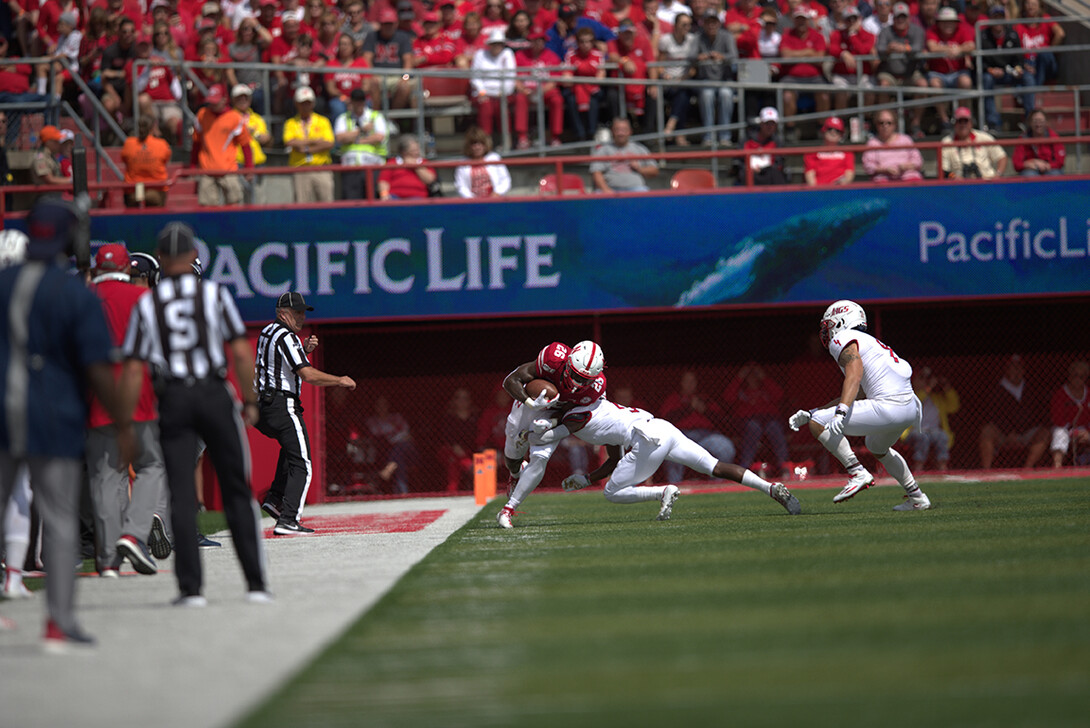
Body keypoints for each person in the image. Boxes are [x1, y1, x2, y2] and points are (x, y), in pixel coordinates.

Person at [0, 199, 135, 649]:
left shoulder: (3, 283)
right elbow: (99, 367)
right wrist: (122, 423)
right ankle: (58, 621)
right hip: (53, 417)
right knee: (58, 519)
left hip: (3, 413)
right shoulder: (75, 292)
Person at [119, 221, 269, 607]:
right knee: (238, 490)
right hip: (214, 392)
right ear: (192, 257)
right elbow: (239, 351)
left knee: (182, 495)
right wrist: (250, 400)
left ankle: (191, 590)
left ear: (161, 259)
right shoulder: (214, 295)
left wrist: (126, 421)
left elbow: (134, 368)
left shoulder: (147, 304)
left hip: (175, 399)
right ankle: (255, 584)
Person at [533, 396, 801, 520]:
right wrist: (587, 478)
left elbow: (548, 436)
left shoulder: (575, 416)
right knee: (715, 467)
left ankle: (663, 493)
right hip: (662, 427)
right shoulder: (600, 406)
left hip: (646, 439)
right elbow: (614, 459)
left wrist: (526, 434)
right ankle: (771, 488)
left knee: (611, 493)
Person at [788, 300, 932, 510]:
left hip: (889, 407)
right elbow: (858, 393)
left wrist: (838, 413)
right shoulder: (871, 343)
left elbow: (853, 376)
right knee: (876, 446)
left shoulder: (843, 338)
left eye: (828, 325)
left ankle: (857, 472)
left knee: (818, 425)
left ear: (841, 322)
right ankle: (918, 498)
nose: (826, 332)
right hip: (909, 408)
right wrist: (814, 412)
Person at [86, 243, 173, 577]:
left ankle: (108, 560)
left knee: (106, 477)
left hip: (96, 395)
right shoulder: (143, 300)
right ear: (126, 269)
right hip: (138, 394)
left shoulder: (84, 297)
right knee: (152, 465)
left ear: (97, 267)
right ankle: (134, 532)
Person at [255, 292, 357, 535]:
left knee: (291, 452)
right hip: (282, 405)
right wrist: (339, 380)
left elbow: (278, 364)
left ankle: (275, 499)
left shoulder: (267, 332)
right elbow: (307, 375)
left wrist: (303, 350)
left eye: (302, 312)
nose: (301, 316)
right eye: (296, 312)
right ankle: (289, 519)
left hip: (262, 407)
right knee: (303, 463)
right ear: (283, 313)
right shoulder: (286, 336)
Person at [497, 340, 607, 528]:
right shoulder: (553, 357)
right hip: (530, 405)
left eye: (585, 379)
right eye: (576, 375)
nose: (579, 383)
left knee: (541, 457)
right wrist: (530, 402)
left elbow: (574, 416)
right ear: (569, 362)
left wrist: (552, 422)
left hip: (553, 415)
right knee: (513, 456)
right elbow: (511, 380)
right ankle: (515, 475)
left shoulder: (597, 387)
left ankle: (508, 510)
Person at [660, 370, 736, 483]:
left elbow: (721, 421)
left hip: (707, 436)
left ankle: (716, 487)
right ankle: (674, 488)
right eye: (687, 381)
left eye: (693, 381)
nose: (690, 384)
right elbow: (666, 420)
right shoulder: (674, 399)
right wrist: (689, 408)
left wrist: (704, 410)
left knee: (726, 447)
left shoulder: (705, 399)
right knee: (670, 451)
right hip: (681, 436)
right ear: (681, 383)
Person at [977, 354, 1049, 469]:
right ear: (1006, 369)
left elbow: (1039, 414)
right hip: (1004, 433)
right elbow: (991, 415)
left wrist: (1022, 431)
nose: (1016, 371)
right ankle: (987, 470)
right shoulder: (995, 389)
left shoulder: (1032, 388)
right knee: (987, 431)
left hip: (1026, 432)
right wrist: (1009, 432)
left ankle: (1027, 469)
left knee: (1044, 433)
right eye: (1013, 367)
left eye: (1019, 367)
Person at [193, 84, 254, 206]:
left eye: (216, 101)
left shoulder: (234, 117)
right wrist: (193, 165)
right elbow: (196, 143)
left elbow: (245, 144)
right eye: (211, 101)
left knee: (233, 205)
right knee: (207, 208)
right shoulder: (202, 114)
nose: (212, 105)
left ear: (224, 100)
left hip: (229, 169)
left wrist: (249, 167)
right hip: (207, 170)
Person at [724, 362, 788, 478]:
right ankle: (745, 467)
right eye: (750, 374)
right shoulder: (741, 390)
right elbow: (727, 397)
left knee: (774, 426)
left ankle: (783, 466)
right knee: (753, 427)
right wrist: (740, 377)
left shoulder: (765, 388)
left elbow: (779, 395)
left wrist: (764, 378)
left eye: (755, 374)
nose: (752, 377)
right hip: (747, 421)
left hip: (769, 419)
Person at [471, 27, 530, 147]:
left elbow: (510, 76)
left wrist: (503, 93)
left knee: (510, 103)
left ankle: (512, 138)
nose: (497, 46)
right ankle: (486, 141)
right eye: (494, 44)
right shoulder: (480, 54)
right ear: (489, 44)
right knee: (485, 105)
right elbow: (475, 77)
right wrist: (482, 92)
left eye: (499, 44)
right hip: (485, 92)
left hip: (503, 93)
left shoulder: (507, 54)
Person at [875, 3, 927, 139]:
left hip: (910, 72)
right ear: (893, 18)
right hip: (890, 72)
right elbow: (879, 49)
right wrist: (888, 50)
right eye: (898, 17)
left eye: (903, 17)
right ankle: (887, 123)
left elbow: (918, 47)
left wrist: (904, 48)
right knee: (883, 85)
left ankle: (915, 124)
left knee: (923, 85)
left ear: (909, 18)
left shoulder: (917, 30)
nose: (900, 20)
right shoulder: (886, 31)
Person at [779, 6, 830, 141]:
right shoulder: (787, 35)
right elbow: (785, 56)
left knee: (824, 95)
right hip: (791, 77)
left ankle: (822, 128)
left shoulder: (817, 36)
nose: (801, 22)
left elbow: (819, 58)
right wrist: (808, 52)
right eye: (798, 19)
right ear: (794, 21)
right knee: (787, 96)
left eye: (804, 19)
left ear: (809, 21)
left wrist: (795, 55)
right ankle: (790, 129)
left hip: (814, 77)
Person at [980, 4, 1033, 133]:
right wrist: (990, 69)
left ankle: (1030, 121)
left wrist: (1018, 68)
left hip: (1009, 72)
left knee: (1028, 78)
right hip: (991, 73)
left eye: (1001, 17)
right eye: (995, 17)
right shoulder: (983, 36)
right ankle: (993, 123)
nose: (998, 21)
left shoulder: (1012, 34)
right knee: (985, 80)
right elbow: (979, 61)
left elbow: (1019, 57)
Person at [690, 9, 737, 146]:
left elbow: (734, 56)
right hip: (706, 81)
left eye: (714, 22)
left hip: (724, 80)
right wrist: (700, 57)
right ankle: (708, 136)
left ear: (719, 23)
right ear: (703, 24)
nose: (711, 25)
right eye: (708, 22)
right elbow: (691, 56)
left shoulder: (727, 36)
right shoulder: (698, 37)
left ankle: (724, 136)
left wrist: (722, 57)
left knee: (726, 94)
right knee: (706, 95)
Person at [924, 6, 975, 133]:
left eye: (951, 21)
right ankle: (945, 121)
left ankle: (962, 116)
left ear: (955, 22)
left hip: (958, 71)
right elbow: (932, 47)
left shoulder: (962, 29)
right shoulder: (932, 30)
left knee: (966, 82)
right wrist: (951, 49)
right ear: (939, 23)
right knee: (934, 84)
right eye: (944, 21)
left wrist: (960, 49)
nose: (948, 24)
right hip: (938, 72)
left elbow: (971, 45)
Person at [334, 87, 390, 200]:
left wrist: (355, 139)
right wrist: (362, 131)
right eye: (356, 100)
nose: (359, 103)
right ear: (351, 101)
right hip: (351, 167)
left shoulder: (376, 116)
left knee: (373, 202)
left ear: (365, 101)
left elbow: (379, 137)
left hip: (373, 166)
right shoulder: (343, 118)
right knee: (352, 204)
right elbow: (340, 138)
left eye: (361, 100)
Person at [283, 85, 336, 202]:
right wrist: (315, 141)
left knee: (327, 204)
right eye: (302, 103)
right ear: (296, 104)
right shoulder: (290, 123)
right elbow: (289, 142)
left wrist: (306, 148)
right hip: (300, 168)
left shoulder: (323, 121)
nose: (306, 106)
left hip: (321, 168)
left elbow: (329, 143)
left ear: (313, 103)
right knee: (302, 206)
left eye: (308, 103)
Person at [902, 366, 959, 472]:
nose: (925, 381)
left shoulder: (937, 398)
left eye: (926, 379)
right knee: (923, 437)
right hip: (913, 432)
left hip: (934, 431)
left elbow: (953, 407)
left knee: (942, 436)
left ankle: (942, 468)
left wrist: (947, 387)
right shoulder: (909, 395)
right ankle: (918, 468)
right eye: (921, 378)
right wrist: (928, 387)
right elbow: (916, 402)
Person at [515, 29, 566, 147]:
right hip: (526, 90)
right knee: (519, 99)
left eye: (540, 40)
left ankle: (555, 136)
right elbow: (514, 77)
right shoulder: (520, 55)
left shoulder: (552, 56)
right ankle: (522, 137)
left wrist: (539, 91)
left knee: (557, 100)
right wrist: (522, 89)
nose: (538, 43)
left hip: (545, 90)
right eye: (535, 40)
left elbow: (554, 80)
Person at [364, 395, 419, 494]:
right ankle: (402, 492)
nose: (382, 407)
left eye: (384, 404)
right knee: (399, 460)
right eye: (379, 405)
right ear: (375, 407)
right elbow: (378, 436)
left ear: (388, 405)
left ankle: (390, 466)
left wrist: (393, 437)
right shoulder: (372, 421)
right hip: (386, 451)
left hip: (408, 451)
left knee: (402, 446)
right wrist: (396, 435)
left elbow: (408, 435)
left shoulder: (396, 417)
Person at [362, 7, 414, 109]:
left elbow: (408, 60)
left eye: (390, 24)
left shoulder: (403, 37)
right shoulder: (372, 36)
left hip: (397, 76)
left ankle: (391, 120)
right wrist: (371, 75)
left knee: (404, 87)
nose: (388, 27)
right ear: (380, 24)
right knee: (372, 84)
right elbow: (366, 59)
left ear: (396, 24)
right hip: (377, 75)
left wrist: (404, 78)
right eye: (385, 24)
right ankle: (376, 117)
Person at [562, 26, 607, 142]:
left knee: (593, 100)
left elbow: (600, 78)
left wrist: (580, 72)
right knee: (572, 100)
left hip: (593, 90)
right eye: (582, 41)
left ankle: (591, 133)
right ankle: (579, 134)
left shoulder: (598, 55)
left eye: (588, 41)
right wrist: (587, 74)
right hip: (576, 89)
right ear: (577, 42)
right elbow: (567, 79)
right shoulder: (571, 55)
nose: (585, 45)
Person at [590, 117, 658, 193]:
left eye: (624, 130)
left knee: (645, 193)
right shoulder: (603, 150)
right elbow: (596, 173)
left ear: (630, 131)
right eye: (617, 130)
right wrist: (607, 191)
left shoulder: (639, 148)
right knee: (598, 194)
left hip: (636, 189)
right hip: (611, 189)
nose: (620, 133)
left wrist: (639, 168)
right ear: (612, 131)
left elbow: (654, 170)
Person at [828, 5, 876, 112]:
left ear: (860, 19)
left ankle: (866, 121)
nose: (852, 21)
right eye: (848, 19)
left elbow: (863, 51)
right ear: (844, 21)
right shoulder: (837, 34)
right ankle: (841, 122)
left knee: (870, 91)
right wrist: (843, 53)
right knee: (841, 91)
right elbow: (831, 48)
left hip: (863, 74)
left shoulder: (869, 35)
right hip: (843, 75)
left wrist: (853, 35)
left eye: (854, 18)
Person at [659, 10, 696, 145]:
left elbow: (693, 68)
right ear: (675, 25)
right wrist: (665, 75)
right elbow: (659, 64)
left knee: (683, 94)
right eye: (684, 25)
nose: (687, 28)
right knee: (682, 96)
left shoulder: (692, 40)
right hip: (667, 80)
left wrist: (683, 78)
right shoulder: (665, 40)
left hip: (684, 80)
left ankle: (671, 126)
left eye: (689, 25)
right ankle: (679, 135)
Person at [941, 106, 1008, 179]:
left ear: (971, 123)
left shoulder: (984, 137)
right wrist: (953, 177)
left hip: (987, 183)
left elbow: (1002, 157)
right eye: (959, 121)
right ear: (954, 124)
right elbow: (943, 170)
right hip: (960, 186)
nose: (963, 125)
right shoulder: (947, 142)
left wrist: (998, 175)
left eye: (966, 121)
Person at [232, 84, 272, 203]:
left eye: (246, 97)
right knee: (237, 200)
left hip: (257, 163)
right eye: (239, 98)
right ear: (233, 100)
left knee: (259, 201)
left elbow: (266, 139)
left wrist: (266, 138)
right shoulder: (229, 117)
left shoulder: (257, 119)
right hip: (237, 164)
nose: (243, 100)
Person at [121, 114, 172, 207]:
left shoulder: (129, 143)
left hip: (133, 190)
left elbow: (124, 159)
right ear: (153, 128)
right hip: (156, 190)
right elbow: (166, 159)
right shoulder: (162, 144)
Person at [861, 108, 924, 182]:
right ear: (876, 125)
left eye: (889, 123)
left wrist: (906, 166)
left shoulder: (906, 139)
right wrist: (885, 169)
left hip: (908, 176)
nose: (885, 126)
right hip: (883, 179)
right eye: (881, 123)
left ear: (895, 125)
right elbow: (868, 166)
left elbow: (918, 160)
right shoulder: (872, 143)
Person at [1016, 0, 1064, 92]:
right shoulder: (1019, 25)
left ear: (1039, 6)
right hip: (1028, 62)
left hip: (1045, 62)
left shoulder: (1045, 19)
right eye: (1028, 4)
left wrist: (1051, 50)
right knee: (1023, 69)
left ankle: (1034, 90)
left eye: (1034, 4)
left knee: (1044, 54)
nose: (1031, 7)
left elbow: (1060, 33)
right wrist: (1024, 65)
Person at [1049, 360, 1090, 468]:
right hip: (1066, 428)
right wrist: (1075, 432)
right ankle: (1057, 466)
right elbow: (1058, 420)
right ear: (1070, 376)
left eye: (1081, 376)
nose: (1078, 379)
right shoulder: (1060, 394)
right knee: (1060, 434)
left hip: (1085, 430)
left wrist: (1086, 432)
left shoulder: (1089, 393)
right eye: (1075, 375)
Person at [438, 388, 479, 492]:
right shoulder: (448, 417)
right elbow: (447, 439)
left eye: (465, 398)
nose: (462, 401)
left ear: (470, 401)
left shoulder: (475, 417)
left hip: (470, 451)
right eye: (459, 398)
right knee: (453, 459)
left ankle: (452, 490)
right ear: (454, 401)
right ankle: (453, 490)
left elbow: (478, 437)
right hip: (450, 450)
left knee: (455, 462)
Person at [454, 126, 512, 198]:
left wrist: (496, 193)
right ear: (468, 146)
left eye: (480, 143)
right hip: (473, 204)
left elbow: (505, 180)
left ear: (485, 144)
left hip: (495, 201)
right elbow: (460, 186)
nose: (477, 147)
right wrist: (472, 199)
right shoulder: (463, 163)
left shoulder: (494, 158)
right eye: (473, 144)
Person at [378, 134, 439, 200]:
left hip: (417, 196)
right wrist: (384, 195)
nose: (417, 152)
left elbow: (430, 180)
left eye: (417, 149)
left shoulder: (424, 162)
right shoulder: (392, 162)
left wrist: (416, 166)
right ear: (403, 152)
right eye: (413, 151)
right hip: (394, 196)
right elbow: (383, 181)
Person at [740, 106, 788, 185]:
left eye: (772, 124)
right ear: (761, 123)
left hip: (770, 174)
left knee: (777, 175)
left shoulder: (778, 142)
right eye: (767, 124)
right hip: (751, 173)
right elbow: (739, 161)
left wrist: (763, 169)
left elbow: (779, 162)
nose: (770, 127)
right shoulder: (747, 140)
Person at [1012, 108, 1065, 176]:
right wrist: (1029, 163)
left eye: (1041, 121)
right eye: (1035, 121)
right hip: (1030, 169)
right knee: (1029, 175)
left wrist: (1048, 165)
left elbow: (1060, 161)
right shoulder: (1023, 138)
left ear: (1046, 122)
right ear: (1030, 123)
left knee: (1055, 174)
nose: (1038, 124)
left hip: (1050, 168)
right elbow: (1016, 163)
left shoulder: (1054, 137)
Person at [804, 116, 855, 186]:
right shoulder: (812, 153)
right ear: (823, 131)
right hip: (819, 192)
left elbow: (849, 174)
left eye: (837, 131)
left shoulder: (847, 153)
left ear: (841, 135)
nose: (833, 132)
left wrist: (842, 184)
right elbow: (810, 176)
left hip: (840, 191)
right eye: (830, 129)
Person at [30, 125, 69, 193]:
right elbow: (49, 180)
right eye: (56, 141)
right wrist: (71, 180)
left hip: (54, 195)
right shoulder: (41, 157)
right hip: (45, 197)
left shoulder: (51, 155)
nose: (59, 143)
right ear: (48, 142)